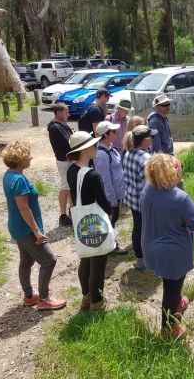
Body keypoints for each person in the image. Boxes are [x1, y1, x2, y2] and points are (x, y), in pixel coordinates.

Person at [140, 153, 194, 337]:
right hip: (173, 253)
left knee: (171, 285)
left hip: (150, 246)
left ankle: (179, 302)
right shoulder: (180, 197)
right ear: (170, 172)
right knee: (171, 289)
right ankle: (169, 330)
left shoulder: (147, 190)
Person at [2, 142, 66, 310]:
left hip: (16, 227)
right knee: (49, 260)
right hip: (26, 229)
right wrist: (36, 231)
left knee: (26, 260)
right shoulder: (19, 180)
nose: (31, 157)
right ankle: (44, 299)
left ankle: (29, 296)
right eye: (27, 155)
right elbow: (24, 207)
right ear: (20, 159)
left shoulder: (8, 175)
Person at [67, 131, 113, 311]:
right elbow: (104, 203)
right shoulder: (92, 175)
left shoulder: (72, 170)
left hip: (81, 221)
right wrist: (109, 216)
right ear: (85, 149)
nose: (96, 148)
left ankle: (86, 296)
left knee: (86, 258)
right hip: (95, 221)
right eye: (94, 145)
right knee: (98, 263)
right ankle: (97, 302)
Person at [123, 125, 157, 270]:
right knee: (148, 231)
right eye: (151, 137)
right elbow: (148, 185)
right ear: (145, 140)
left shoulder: (128, 153)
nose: (153, 139)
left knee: (138, 228)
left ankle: (140, 259)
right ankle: (147, 259)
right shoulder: (145, 158)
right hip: (144, 202)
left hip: (132, 199)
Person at [93, 121, 128, 255]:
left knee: (113, 220)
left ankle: (110, 245)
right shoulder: (102, 154)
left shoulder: (110, 148)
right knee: (109, 221)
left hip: (117, 194)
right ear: (106, 134)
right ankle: (109, 247)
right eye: (113, 131)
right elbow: (105, 180)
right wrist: (112, 199)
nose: (116, 132)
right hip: (110, 198)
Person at [47, 102, 73, 226]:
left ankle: (72, 209)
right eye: (66, 112)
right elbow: (69, 143)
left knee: (69, 187)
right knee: (65, 187)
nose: (68, 114)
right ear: (58, 113)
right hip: (64, 161)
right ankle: (63, 215)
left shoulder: (62, 125)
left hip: (68, 160)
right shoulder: (55, 127)